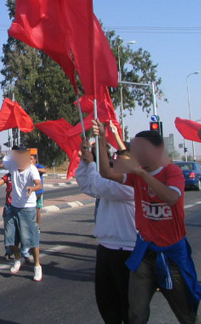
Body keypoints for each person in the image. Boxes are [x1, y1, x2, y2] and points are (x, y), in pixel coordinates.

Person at [95, 120, 201, 324]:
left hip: (171, 254)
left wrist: (142, 174)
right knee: (136, 314)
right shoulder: (135, 171)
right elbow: (106, 173)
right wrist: (101, 138)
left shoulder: (171, 172)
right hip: (145, 252)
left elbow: (171, 197)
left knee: (186, 313)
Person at [76, 139, 136, 324]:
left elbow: (99, 186)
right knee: (106, 301)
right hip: (105, 248)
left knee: (129, 303)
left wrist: (93, 163)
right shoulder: (109, 181)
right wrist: (85, 161)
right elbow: (86, 184)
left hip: (127, 250)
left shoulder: (133, 182)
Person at [0, 140, 43, 281]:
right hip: (12, 207)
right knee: (9, 239)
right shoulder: (12, 164)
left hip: (27, 208)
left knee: (31, 240)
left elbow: (38, 184)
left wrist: (32, 188)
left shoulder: (31, 169)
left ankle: (37, 266)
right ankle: (18, 258)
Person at [0, 173, 25, 261]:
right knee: (9, 232)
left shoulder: (25, 173)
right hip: (9, 207)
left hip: (22, 207)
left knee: (23, 232)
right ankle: (9, 252)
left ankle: (25, 253)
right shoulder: (8, 176)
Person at [30, 154, 46, 226]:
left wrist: (35, 169)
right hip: (30, 192)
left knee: (37, 210)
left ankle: (37, 225)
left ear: (35, 160)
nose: (29, 160)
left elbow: (44, 170)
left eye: (31, 159)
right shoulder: (27, 167)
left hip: (38, 192)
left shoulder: (38, 166)